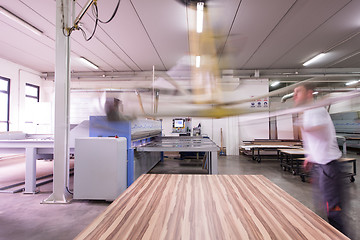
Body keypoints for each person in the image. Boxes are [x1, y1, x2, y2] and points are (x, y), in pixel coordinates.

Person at [293, 83, 347, 235]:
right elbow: (319, 139)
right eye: (294, 92)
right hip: (321, 166)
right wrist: (311, 156)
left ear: (309, 93)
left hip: (328, 167)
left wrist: (301, 122)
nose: (294, 96)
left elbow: (320, 131)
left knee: (333, 211)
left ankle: (341, 236)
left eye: (298, 92)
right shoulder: (309, 112)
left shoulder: (315, 110)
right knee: (324, 208)